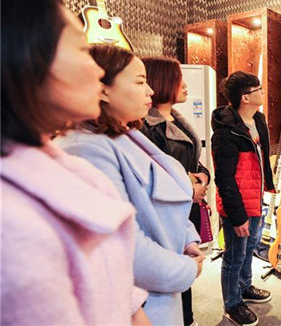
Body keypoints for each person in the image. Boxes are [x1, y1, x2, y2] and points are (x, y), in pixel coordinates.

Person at [0, 0, 149, 325]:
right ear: (25, 56)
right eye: (83, 50)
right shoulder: (12, 227)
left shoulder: (59, 166)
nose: (98, 72)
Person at [57, 44, 204, 326]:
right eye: (139, 82)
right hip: (142, 300)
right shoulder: (85, 147)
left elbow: (160, 202)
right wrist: (184, 269)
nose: (150, 91)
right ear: (102, 88)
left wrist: (187, 239)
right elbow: (122, 244)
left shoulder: (124, 134)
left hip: (161, 283)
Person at [141, 56, 210, 326]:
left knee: (186, 273)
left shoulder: (177, 119)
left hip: (185, 210)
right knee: (171, 279)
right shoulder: (147, 127)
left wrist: (204, 175)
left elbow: (192, 161)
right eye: (178, 78)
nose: (185, 85)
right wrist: (188, 191)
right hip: (169, 212)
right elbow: (155, 176)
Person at [212, 71, 274, 326]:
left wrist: (269, 188)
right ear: (245, 97)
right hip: (237, 205)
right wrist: (237, 217)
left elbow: (262, 158)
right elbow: (224, 180)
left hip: (255, 199)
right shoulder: (225, 133)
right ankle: (232, 304)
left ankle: (244, 287)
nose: (262, 91)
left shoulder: (258, 119)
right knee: (234, 256)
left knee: (249, 248)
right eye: (258, 89)